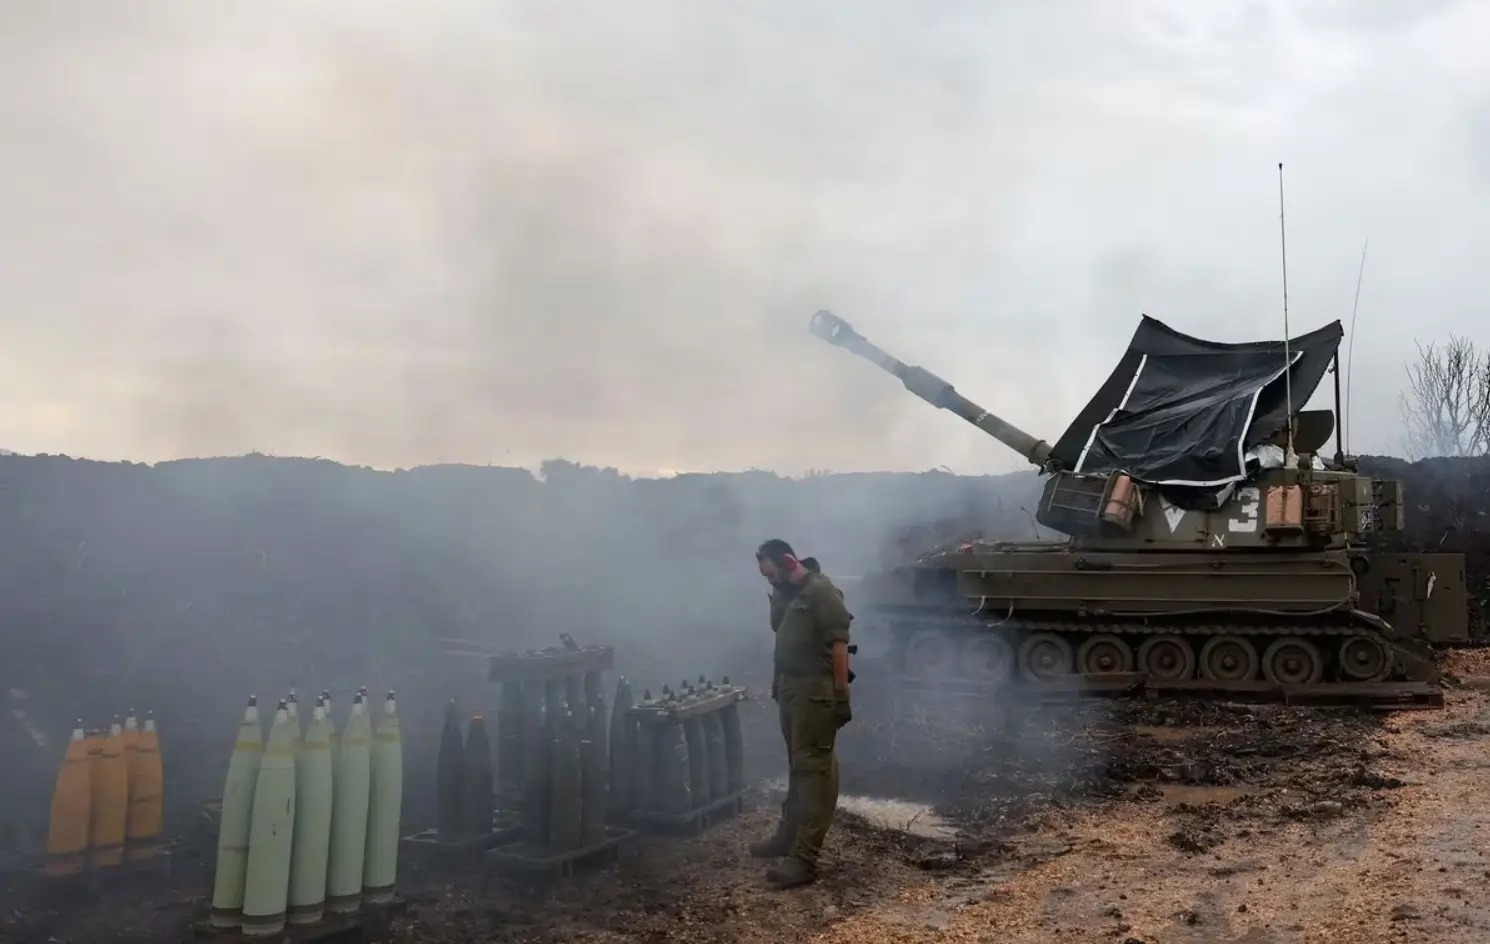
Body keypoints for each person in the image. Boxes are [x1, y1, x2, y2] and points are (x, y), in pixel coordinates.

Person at [750, 539, 852, 889]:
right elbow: (780, 630)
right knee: (798, 767)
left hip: (815, 693)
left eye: (772, 573)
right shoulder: (790, 593)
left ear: (789, 561)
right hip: (792, 690)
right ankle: (787, 837)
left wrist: (841, 697)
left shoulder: (822, 593)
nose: (769, 581)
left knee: (814, 773)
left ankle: (805, 859)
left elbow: (839, 646)